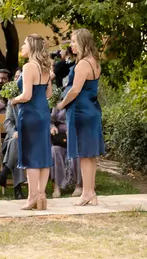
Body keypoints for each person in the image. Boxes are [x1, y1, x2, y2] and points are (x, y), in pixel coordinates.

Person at [57, 28, 105, 206]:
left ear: (83, 42)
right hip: (91, 109)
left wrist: (61, 104)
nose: (71, 45)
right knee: (90, 155)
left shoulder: (84, 63)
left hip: (81, 111)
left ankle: (86, 193)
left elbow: (75, 90)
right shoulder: (95, 61)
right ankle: (91, 192)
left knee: (85, 154)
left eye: (74, 41)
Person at [10, 34, 53, 211]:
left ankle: (32, 195)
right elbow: (48, 94)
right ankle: (41, 195)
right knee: (42, 154)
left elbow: (26, 95)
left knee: (31, 156)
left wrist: (14, 100)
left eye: (25, 44)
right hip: (43, 113)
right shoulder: (45, 68)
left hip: (30, 114)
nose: (22, 46)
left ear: (32, 47)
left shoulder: (29, 67)